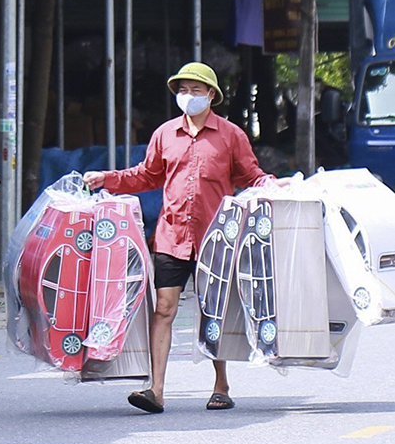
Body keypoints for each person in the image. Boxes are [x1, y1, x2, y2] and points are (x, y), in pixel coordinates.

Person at [82, 62, 273, 414]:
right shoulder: (165, 134)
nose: (188, 97)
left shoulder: (231, 135)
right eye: (183, 91)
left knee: (212, 311)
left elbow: (251, 175)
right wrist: (106, 178)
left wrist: (273, 185)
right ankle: (155, 389)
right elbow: (146, 175)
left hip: (217, 237)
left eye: (196, 91)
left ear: (212, 95)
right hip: (171, 237)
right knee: (164, 309)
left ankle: (221, 384)